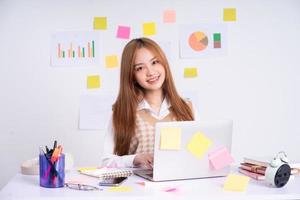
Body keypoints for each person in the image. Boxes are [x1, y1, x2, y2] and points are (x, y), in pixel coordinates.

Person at [101, 37, 198, 169]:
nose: (151, 72)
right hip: (138, 188)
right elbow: (106, 161)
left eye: (155, 62)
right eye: (140, 68)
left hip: (182, 185)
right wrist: (135, 159)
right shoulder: (122, 112)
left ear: (164, 64)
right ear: (132, 75)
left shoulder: (187, 108)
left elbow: (201, 152)